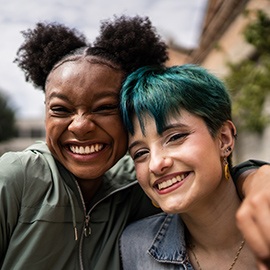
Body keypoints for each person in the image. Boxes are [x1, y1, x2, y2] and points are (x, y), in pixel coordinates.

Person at [0, 15, 268, 270]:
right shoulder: (17, 177)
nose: (80, 125)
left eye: (104, 108)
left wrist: (258, 178)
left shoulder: (134, 185)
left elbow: (214, 178)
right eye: (60, 109)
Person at [119, 64, 268, 269]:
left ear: (224, 139)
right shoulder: (134, 247)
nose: (155, 164)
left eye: (175, 137)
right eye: (140, 153)